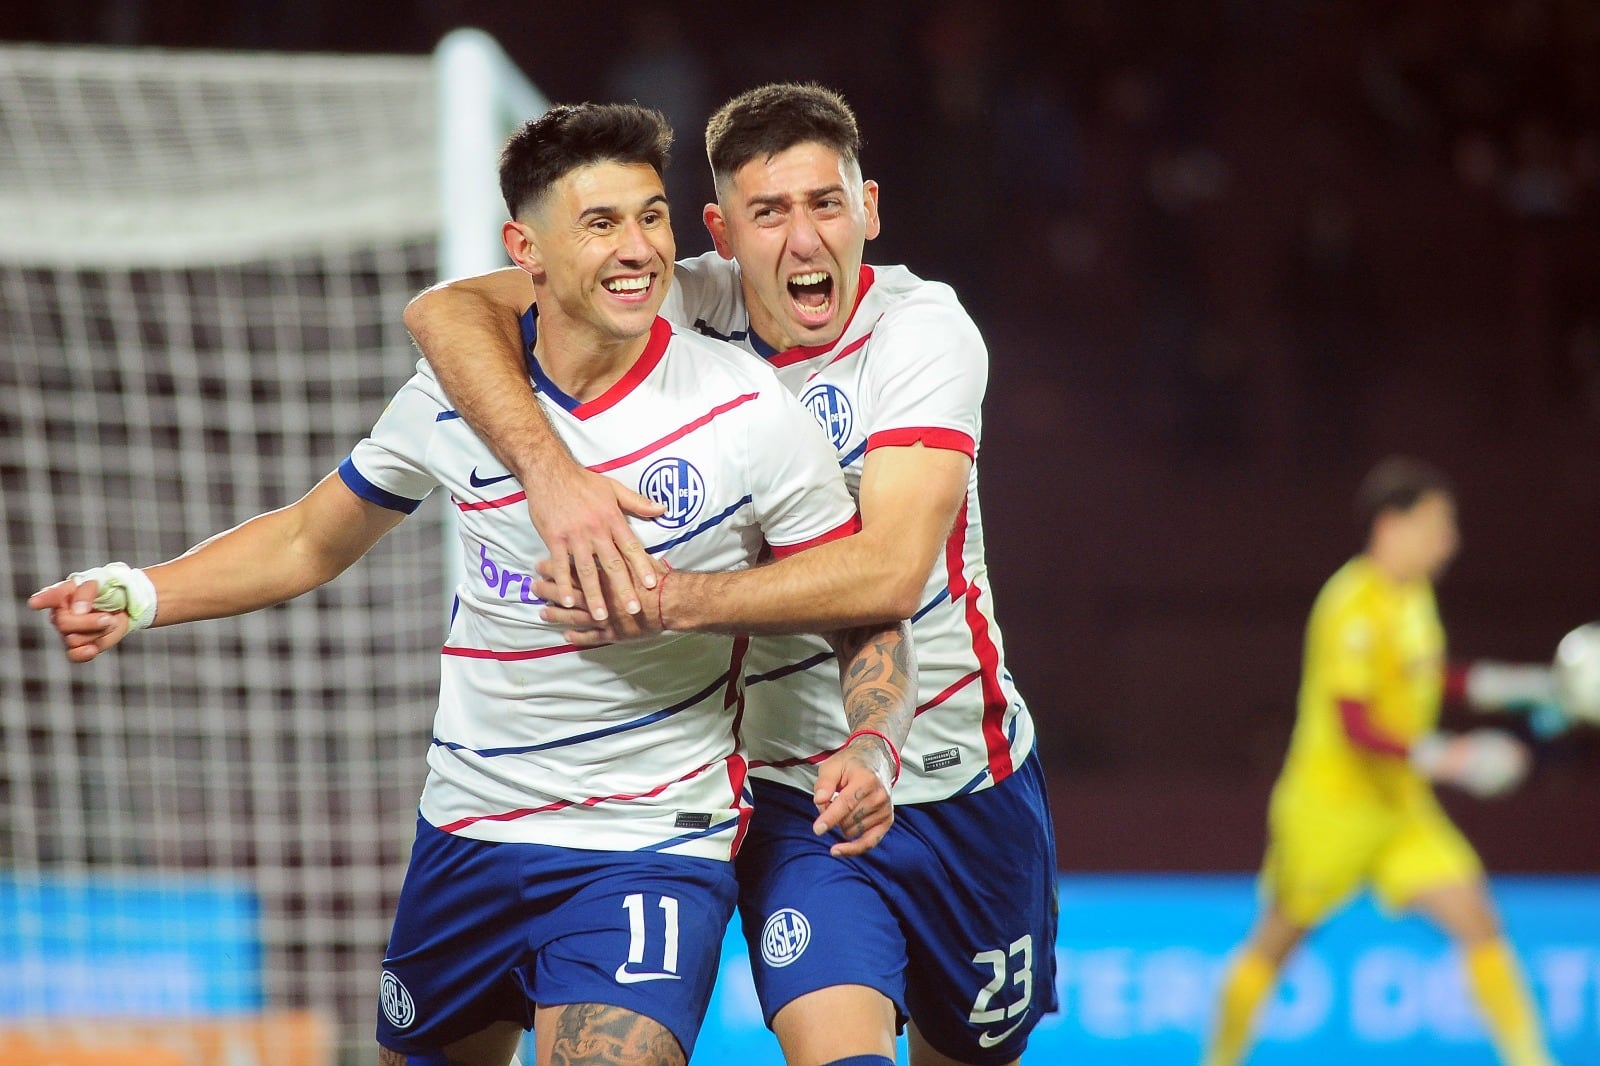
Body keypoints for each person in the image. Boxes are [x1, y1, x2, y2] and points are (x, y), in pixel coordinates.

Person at [28, 102, 918, 1066]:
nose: (639, 250)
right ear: (522, 249)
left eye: (653, 217)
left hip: (648, 843)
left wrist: (873, 738)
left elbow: (861, 605)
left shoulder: (746, 410)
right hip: (466, 829)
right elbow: (306, 541)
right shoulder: (456, 397)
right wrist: (145, 592)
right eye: (601, 223)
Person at [403, 83, 1058, 1066]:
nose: (803, 238)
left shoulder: (923, 334)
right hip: (800, 801)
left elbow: (884, 575)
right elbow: (450, 313)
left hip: (965, 775)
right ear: (720, 230)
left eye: (825, 204)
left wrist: (666, 603)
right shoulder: (672, 297)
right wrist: (553, 477)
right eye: (769, 211)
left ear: (867, 210)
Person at [1202, 456, 1559, 1066]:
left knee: (1477, 919)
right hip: (1328, 809)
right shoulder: (1350, 602)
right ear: (1393, 526)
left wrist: (1522, 685)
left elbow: (1428, 677)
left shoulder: (1414, 597)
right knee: (1276, 945)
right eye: (1438, 524)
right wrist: (1454, 757)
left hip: (1399, 806)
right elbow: (1355, 724)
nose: (1451, 540)